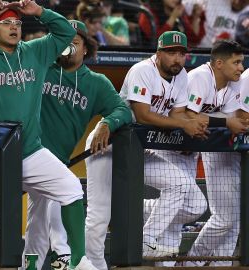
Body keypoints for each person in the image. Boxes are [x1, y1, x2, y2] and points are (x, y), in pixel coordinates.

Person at [0, 1, 93, 269]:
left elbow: (64, 32)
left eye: (17, 23)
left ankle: (76, 259)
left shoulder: (35, 51)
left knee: (72, 189)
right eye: (7, 23)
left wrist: (39, 12)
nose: (14, 27)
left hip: (29, 150)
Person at [84, 31, 209, 267]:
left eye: (182, 53)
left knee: (180, 184)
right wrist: (185, 124)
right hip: (109, 144)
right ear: (159, 53)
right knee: (100, 216)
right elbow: (142, 115)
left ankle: (147, 237)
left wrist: (195, 122)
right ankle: (93, 266)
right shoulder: (143, 70)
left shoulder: (181, 75)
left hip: (138, 148)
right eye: (171, 52)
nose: (177, 58)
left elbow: (176, 114)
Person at [22, 20, 132, 270]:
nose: (68, 46)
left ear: (85, 48)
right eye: (63, 41)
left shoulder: (95, 83)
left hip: (56, 161)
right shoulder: (40, 67)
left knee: (40, 217)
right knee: (38, 211)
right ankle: (66, 258)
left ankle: (44, 262)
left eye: (75, 41)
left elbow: (123, 110)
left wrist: (107, 123)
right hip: (27, 154)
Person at [184, 40, 248, 266]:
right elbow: (188, 116)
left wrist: (226, 122)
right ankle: (192, 262)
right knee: (222, 218)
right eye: (236, 62)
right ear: (219, 63)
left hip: (196, 148)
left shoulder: (231, 85)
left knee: (232, 220)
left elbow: (235, 120)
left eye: (242, 62)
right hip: (165, 143)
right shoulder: (200, 77)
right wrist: (226, 122)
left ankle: (220, 264)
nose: (241, 67)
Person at [139, 0, 205, 47]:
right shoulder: (147, 13)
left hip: (182, 55)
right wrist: (173, 18)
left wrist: (196, 17)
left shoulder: (179, 10)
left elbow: (193, 40)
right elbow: (157, 41)